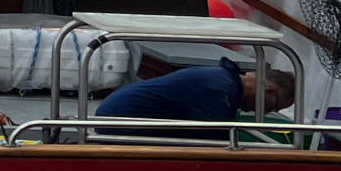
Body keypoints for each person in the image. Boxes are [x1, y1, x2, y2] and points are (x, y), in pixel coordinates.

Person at [91, 57, 296, 129]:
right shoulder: (220, 92)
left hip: (114, 117)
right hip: (120, 128)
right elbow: (213, 151)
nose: (265, 113)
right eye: (273, 107)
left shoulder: (222, 80)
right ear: (269, 92)